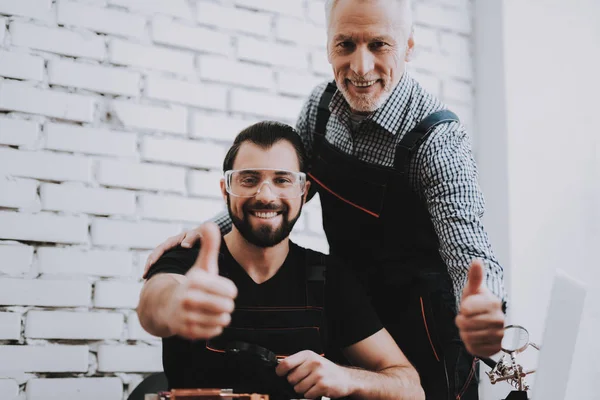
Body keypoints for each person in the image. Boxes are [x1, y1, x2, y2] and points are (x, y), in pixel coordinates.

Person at [144, 0, 506, 398]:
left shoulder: (438, 142)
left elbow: (470, 253)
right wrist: (206, 233)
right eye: (345, 45)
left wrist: (483, 302)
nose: (360, 67)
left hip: (427, 334)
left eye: (379, 45)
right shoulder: (320, 109)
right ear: (328, 46)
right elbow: (280, 188)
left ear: (409, 46)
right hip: (353, 312)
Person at [137, 121, 425, 400]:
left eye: (282, 180)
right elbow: (151, 308)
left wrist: (347, 377)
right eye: (249, 179)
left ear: (304, 191)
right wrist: (176, 304)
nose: (265, 195)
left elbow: (410, 387)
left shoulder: (329, 279)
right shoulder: (188, 259)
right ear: (226, 190)